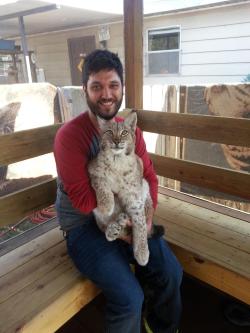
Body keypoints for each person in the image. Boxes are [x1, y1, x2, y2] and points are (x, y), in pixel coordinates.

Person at [54, 49, 183, 333]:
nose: (106, 94)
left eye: (113, 85)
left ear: (122, 88)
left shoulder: (128, 131)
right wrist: (126, 225)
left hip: (127, 212)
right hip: (84, 225)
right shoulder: (70, 137)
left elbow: (148, 176)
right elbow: (86, 202)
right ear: (85, 90)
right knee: (129, 297)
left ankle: (160, 327)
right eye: (96, 86)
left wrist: (144, 221)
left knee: (172, 272)